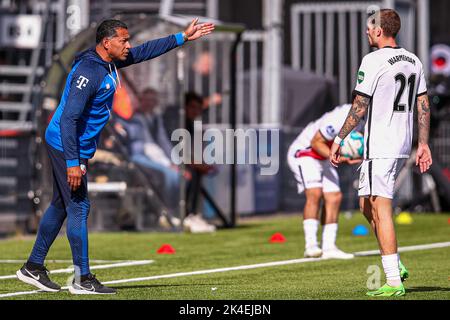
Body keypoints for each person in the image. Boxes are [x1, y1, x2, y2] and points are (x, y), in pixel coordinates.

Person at [16, 18, 215, 295]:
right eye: (123, 40)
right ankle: (82, 279)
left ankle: (33, 266)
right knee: (79, 207)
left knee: (62, 205)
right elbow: (68, 119)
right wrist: (73, 163)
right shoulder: (88, 71)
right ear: (106, 42)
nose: (128, 45)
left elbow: (145, 51)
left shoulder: (108, 60)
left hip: (76, 146)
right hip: (66, 144)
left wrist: (182, 37)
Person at [330, 9, 432, 297]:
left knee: (380, 207)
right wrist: (422, 143)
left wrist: (339, 138)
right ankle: (395, 263)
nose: (366, 32)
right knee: (366, 205)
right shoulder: (413, 60)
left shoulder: (373, 60)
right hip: (400, 144)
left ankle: (393, 279)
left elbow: (360, 105)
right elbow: (423, 105)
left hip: (382, 145)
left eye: (368, 28)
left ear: (379, 30)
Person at [287, 104, 362, 260]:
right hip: (304, 152)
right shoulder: (340, 117)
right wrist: (339, 158)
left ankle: (329, 247)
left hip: (323, 157)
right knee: (315, 193)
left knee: (334, 196)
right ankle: (311, 246)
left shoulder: (365, 118)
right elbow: (316, 142)